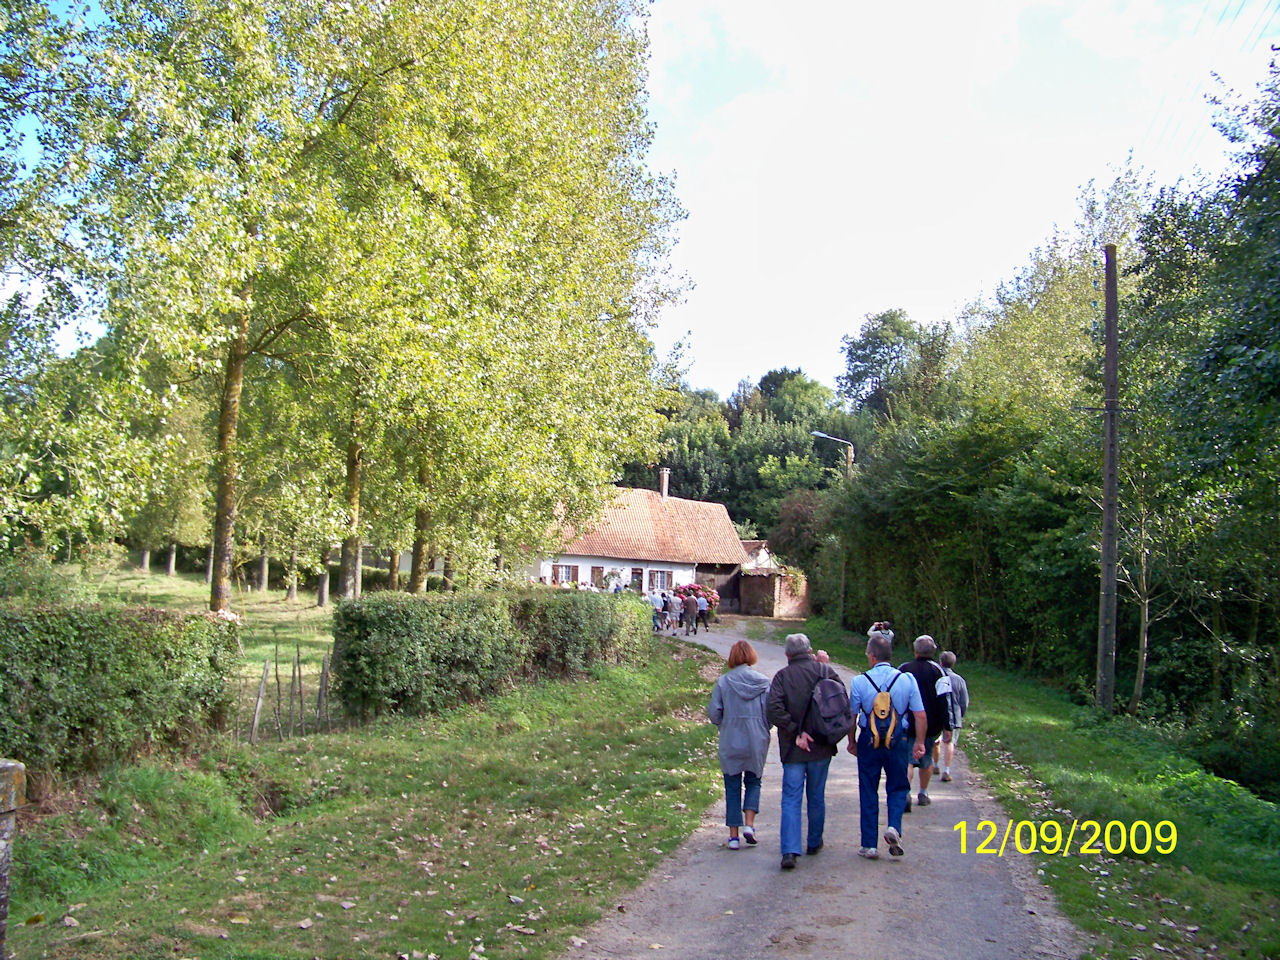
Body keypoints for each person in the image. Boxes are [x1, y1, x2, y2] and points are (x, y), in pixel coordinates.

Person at [765, 633, 842, 870]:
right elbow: (840, 702)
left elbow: (773, 709)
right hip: (821, 745)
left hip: (793, 747)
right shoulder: (824, 671)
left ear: (787, 655)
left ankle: (789, 850)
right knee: (816, 795)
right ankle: (814, 841)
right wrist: (824, 666)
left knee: (791, 797)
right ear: (810, 651)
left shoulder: (782, 676)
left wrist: (795, 731)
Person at [848, 630, 926, 858]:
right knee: (898, 786)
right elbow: (920, 715)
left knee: (868, 789)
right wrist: (919, 742)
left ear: (872, 656)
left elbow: (851, 716)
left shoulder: (860, 681)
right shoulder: (906, 680)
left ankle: (869, 845)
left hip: (869, 740)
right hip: (898, 740)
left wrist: (852, 741)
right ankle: (893, 827)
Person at [707, 640, 771, 850]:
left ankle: (733, 837)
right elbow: (771, 712)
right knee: (754, 781)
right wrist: (763, 726)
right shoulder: (763, 683)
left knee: (732, 785)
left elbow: (714, 712)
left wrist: (724, 723)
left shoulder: (723, 682)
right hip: (756, 738)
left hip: (731, 737)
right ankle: (749, 825)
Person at [898, 634, 948, 809]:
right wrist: (947, 725)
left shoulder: (904, 669)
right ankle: (923, 793)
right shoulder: (939, 671)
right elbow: (944, 699)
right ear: (933, 651)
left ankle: (905, 794)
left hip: (906, 721)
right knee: (926, 760)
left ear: (915, 651)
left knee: (907, 761)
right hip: (930, 724)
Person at [938, 650, 970, 781]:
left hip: (938, 714)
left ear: (940, 662)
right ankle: (946, 769)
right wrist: (960, 714)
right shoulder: (959, 680)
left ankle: (934, 764)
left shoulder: (937, 678)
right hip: (954, 716)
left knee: (936, 741)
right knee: (949, 742)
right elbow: (964, 701)